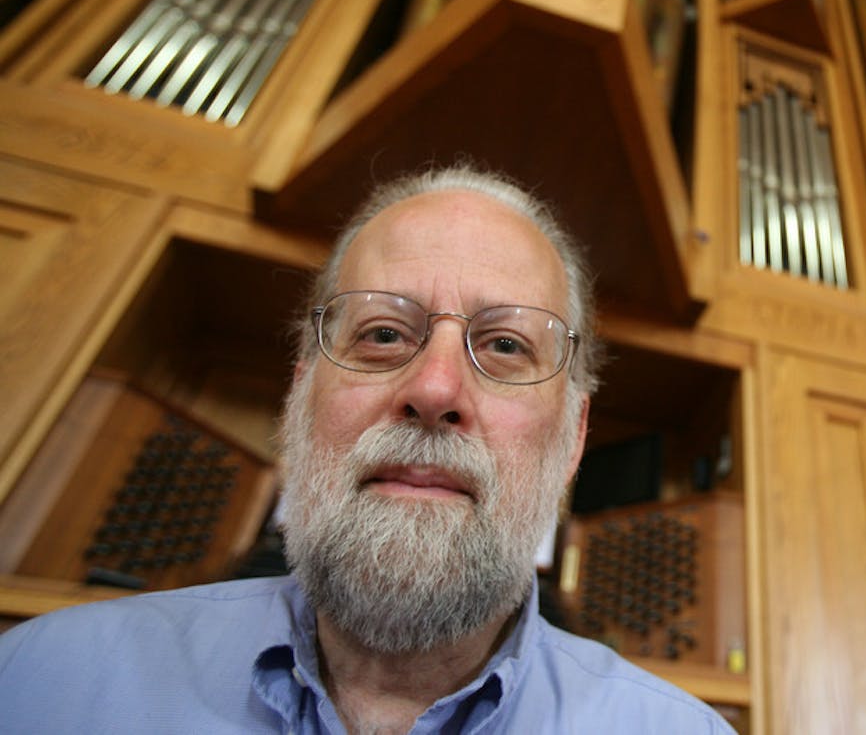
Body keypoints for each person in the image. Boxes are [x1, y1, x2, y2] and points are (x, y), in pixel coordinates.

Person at [0, 165, 735, 734]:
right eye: (384, 333)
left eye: (506, 345)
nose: (436, 386)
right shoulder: (38, 681)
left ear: (573, 438)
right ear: (300, 399)